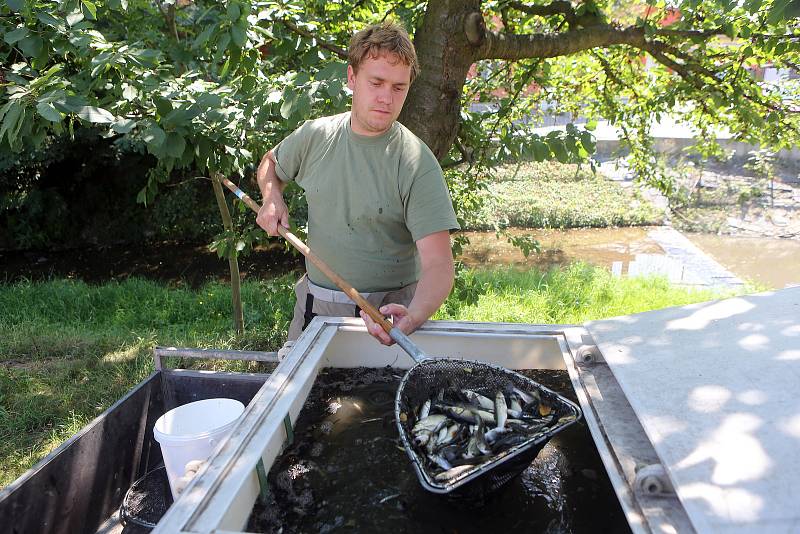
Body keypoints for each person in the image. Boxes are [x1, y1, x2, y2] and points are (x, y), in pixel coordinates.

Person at [255, 21, 459, 346]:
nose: (386, 98)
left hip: (389, 314)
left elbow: (439, 266)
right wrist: (272, 197)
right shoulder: (315, 137)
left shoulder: (415, 163)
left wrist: (415, 314)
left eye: (398, 87)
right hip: (316, 308)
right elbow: (270, 164)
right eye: (376, 82)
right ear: (352, 78)